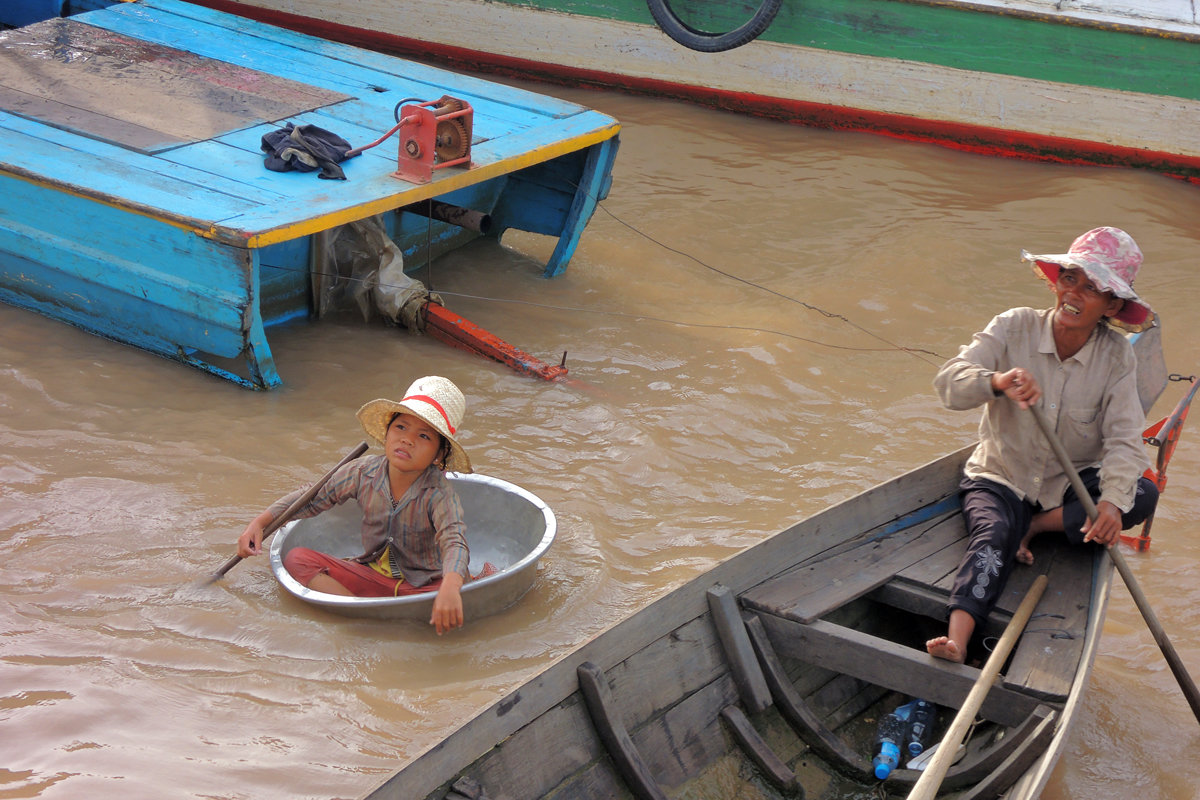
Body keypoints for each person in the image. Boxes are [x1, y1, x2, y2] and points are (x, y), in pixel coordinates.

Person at [927, 227, 1160, 663]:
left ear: (1111, 306)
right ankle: (957, 640)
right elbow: (948, 385)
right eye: (1070, 278)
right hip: (1002, 475)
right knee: (994, 534)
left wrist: (1110, 504)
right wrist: (997, 382)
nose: (1074, 293)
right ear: (1057, 281)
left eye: (1093, 288)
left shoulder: (1115, 357)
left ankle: (1037, 526)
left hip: (1067, 484)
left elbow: (1126, 442)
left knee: (1141, 494)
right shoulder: (1014, 325)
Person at [237, 375, 480, 634]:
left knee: (459, 594)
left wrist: (450, 588)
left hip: (423, 585)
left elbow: (453, 541)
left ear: (439, 454)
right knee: (296, 559)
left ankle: (386, 611)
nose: (407, 440)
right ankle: (361, 614)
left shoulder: (439, 493)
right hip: (373, 576)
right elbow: (312, 497)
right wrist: (260, 523)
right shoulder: (363, 472)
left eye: (423, 435)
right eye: (401, 427)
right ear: (387, 432)